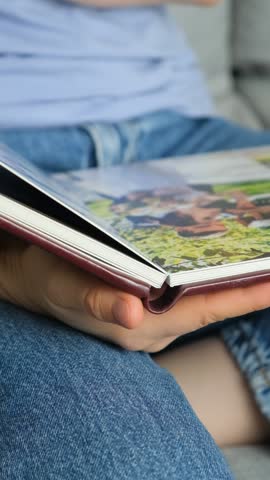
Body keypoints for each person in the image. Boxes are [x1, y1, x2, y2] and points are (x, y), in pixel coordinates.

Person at [1, 1, 270, 478]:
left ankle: (160, 406)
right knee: (138, 462)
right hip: (14, 152)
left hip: (176, 129)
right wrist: (11, 271)